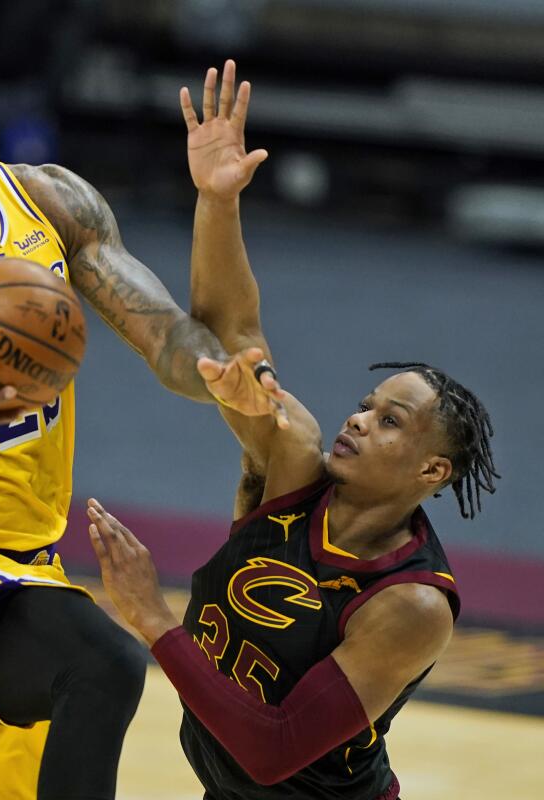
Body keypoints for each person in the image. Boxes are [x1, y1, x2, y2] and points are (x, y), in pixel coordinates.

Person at [0, 37, 282, 800]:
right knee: (100, 664)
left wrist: (217, 377)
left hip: (24, 567)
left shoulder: (50, 199)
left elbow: (166, 334)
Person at [86, 63, 498, 800]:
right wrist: (217, 201)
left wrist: (152, 618)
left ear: (433, 473)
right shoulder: (298, 466)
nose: (357, 420)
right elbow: (235, 332)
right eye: (367, 405)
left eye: (389, 421)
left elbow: (271, 753)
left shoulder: (411, 604)